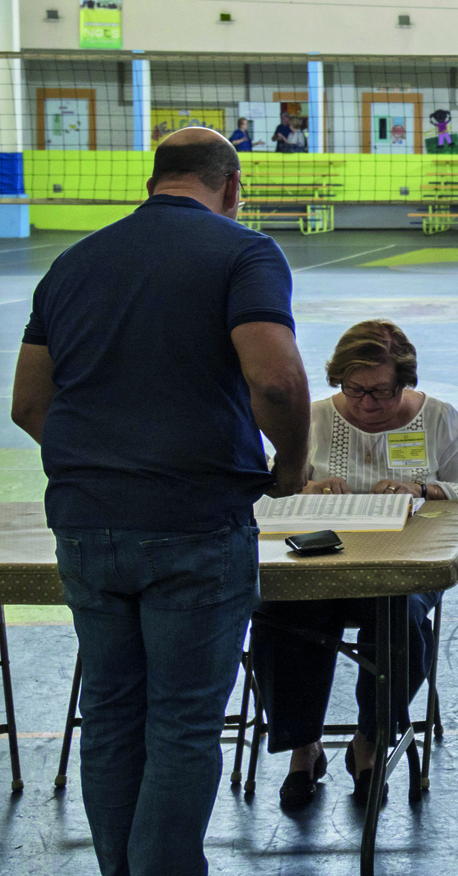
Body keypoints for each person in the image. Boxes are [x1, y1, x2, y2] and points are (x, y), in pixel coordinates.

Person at [11, 127, 310, 876]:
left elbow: (26, 403)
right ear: (232, 187)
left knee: (111, 718)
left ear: (154, 180)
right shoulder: (244, 252)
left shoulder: (71, 264)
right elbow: (274, 378)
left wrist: (102, 465)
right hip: (194, 523)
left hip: (85, 524)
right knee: (181, 724)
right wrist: (292, 465)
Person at [252, 319, 458, 810]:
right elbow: (270, 491)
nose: (367, 404)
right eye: (354, 390)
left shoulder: (438, 417)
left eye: (381, 392)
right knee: (278, 612)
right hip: (320, 561)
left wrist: (422, 489)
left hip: (404, 563)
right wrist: (305, 489)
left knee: (397, 618)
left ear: (405, 383)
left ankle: (369, 738)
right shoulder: (313, 418)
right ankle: (303, 747)